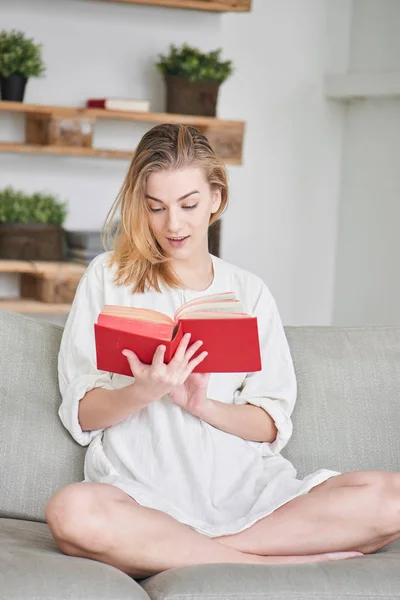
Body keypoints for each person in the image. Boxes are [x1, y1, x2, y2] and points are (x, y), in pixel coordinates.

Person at [46, 124, 400, 579]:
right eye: (156, 208)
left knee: (390, 499)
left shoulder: (248, 291)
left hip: (249, 495)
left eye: (189, 204)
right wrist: (143, 391)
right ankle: (261, 560)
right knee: (71, 511)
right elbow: (82, 412)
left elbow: (270, 422)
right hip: (141, 498)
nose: (173, 224)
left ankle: (201, 550)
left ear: (216, 197)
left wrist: (203, 406)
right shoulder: (106, 278)